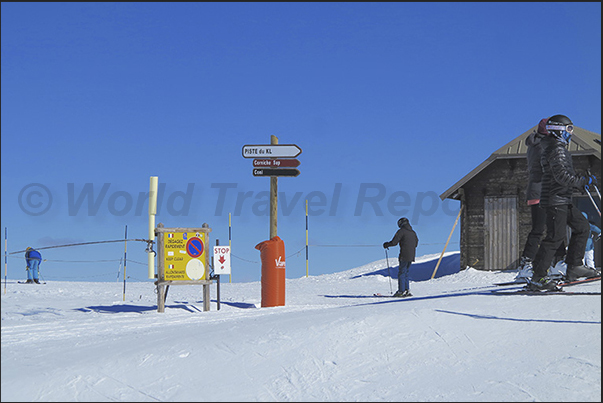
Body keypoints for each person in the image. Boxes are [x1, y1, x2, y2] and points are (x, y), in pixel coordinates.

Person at [528, 114, 600, 290]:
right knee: (555, 237)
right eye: (569, 129)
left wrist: (579, 184)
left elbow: (561, 176)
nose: (571, 133)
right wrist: (583, 181)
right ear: (558, 130)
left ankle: (574, 266)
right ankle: (538, 277)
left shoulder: (557, 147)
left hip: (562, 198)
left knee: (582, 227)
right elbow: (562, 177)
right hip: (554, 200)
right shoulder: (556, 149)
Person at [516, 118, 566, 281]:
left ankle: (552, 262)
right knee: (548, 228)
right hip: (543, 192)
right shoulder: (542, 145)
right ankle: (531, 264)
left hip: (537, 191)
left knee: (550, 228)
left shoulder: (535, 143)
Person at [383, 217, 419, 297]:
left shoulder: (401, 231)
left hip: (404, 254)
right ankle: (407, 290)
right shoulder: (413, 232)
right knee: (406, 272)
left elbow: (394, 242)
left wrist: (387, 244)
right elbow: (416, 243)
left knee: (402, 272)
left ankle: (401, 291)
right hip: (412, 255)